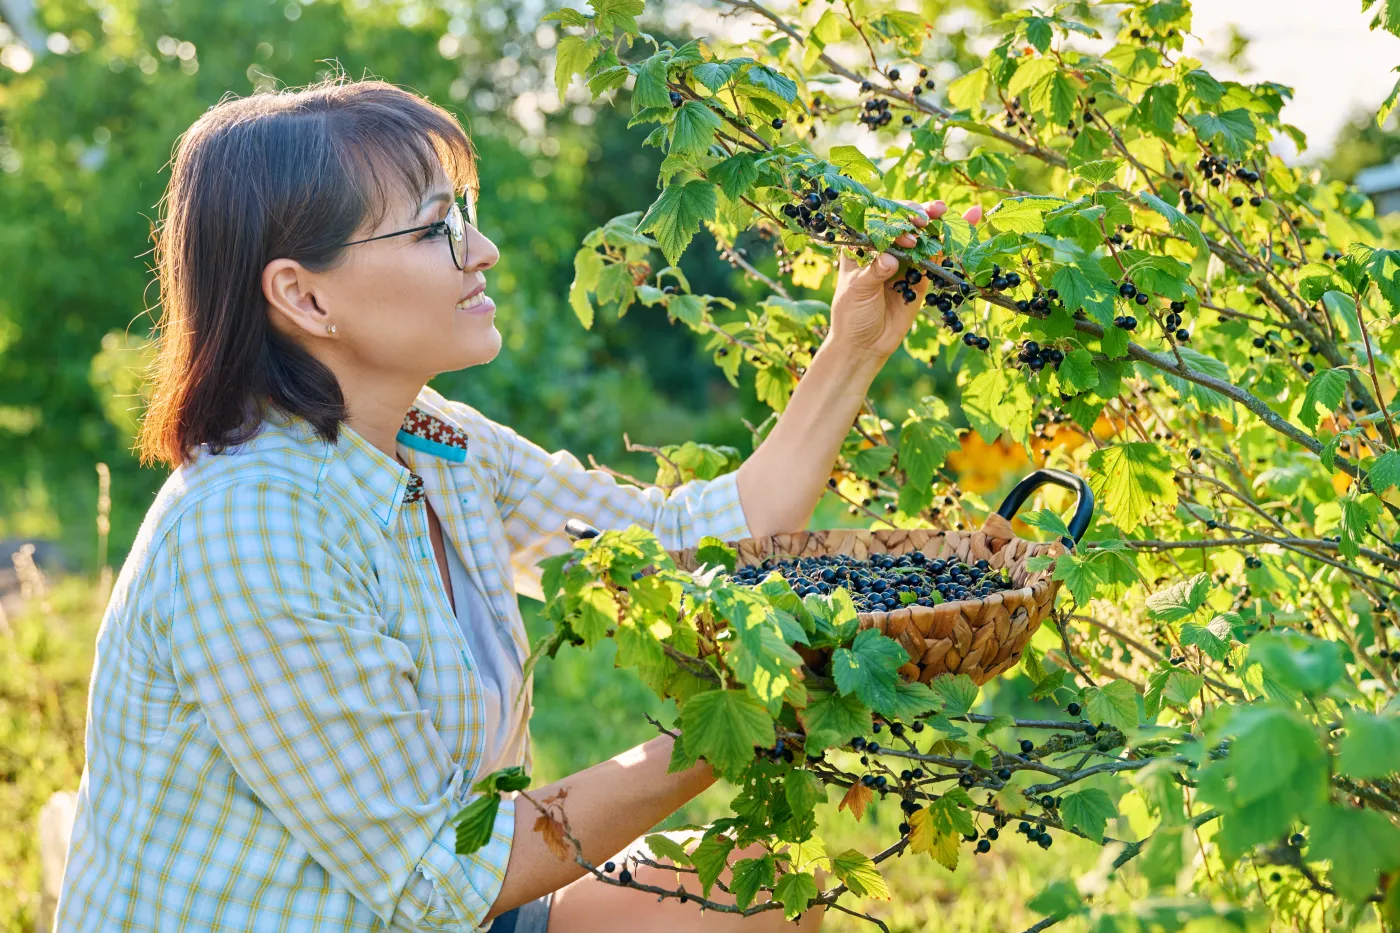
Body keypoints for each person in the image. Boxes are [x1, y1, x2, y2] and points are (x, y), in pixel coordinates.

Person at [53, 76, 980, 933]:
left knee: (763, 889)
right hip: (377, 904)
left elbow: (683, 541)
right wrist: (748, 712)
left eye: (466, 216)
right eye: (432, 230)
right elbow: (437, 876)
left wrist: (854, 344)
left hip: (433, 904)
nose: (482, 249)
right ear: (303, 294)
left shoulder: (431, 439)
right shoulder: (251, 530)